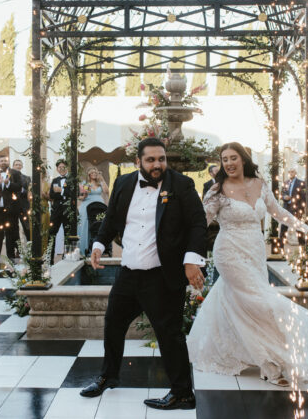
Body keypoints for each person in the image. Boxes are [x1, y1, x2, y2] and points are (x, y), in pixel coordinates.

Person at [187, 142, 308, 388]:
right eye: (224, 159)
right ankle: (271, 362)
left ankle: (257, 356)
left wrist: (306, 228)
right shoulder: (217, 191)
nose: (229, 163)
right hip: (229, 252)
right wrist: (189, 256)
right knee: (262, 301)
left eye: (234, 158)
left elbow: (278, 212)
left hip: (255, 252)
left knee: (243, 304)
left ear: (243, 159)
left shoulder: (260, 185)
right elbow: (200, 223)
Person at [80, 137, 207, 411]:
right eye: (150, 160)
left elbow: (198, 224)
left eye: (161, 159)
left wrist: (191, 261)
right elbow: (112, 218)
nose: (157, 164)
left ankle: (183, 393)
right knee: (113, 323)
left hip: (161, 276)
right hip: (128, 273)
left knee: (169, 334)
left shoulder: (181, 185)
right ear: (138, 161)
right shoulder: (124, 183)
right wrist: (99, 245)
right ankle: (108, 376)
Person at [0, 155, 22, 264]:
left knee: (10, 234)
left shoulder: (15, 173)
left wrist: (8, 183)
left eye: (5, 161)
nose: (3, 162)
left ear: (8, 162)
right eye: (1, 160)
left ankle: (10, 256)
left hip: (11, 209)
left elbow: (19, 187)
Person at [77, 167, 109, 255]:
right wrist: (84, 195)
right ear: (89, 175)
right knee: (86, 226)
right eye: (92, 173)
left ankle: (98, 248)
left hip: (99, 207)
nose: (94, 174)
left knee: (99, 225)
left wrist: (102, 179)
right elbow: (80, 197)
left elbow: (107, 191)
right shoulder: (85, 184)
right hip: (87, 205)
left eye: (95, 172)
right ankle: (85, 248)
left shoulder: (100, 183)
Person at [49, 159, 72, 263]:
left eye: (63, 167)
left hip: (68, 210)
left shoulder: (72, 179)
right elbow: (51, 195)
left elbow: (72, 193)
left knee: (68, 233)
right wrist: (63, 193)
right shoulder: (54, 180)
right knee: (52, 232)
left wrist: (61, 191)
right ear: (57, 169)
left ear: (66, 168)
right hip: (56, 210)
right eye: (59, 167)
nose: (62, 169)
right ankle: (50, 258)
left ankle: (67, 257)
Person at [280, 167, 306, 246]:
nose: (291, 173)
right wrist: (284, 197)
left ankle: (302, 246)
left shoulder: (301, 183)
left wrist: (301, 209)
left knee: (299, 229)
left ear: (295, 173)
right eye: (289, 172)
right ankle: (280, 247)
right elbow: (282, 194)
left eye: (292, 172)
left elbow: (303, 198)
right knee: (283, 227)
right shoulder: (285, 183)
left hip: (296, 209)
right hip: (287, 208)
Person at [12, 159, 31, 248]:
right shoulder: (9, 177)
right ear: (13, 166)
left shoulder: (27, 178)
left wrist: (22, 190)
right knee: (14, 230)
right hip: (12, 206)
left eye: (20, 165)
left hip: (24, 206)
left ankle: (30, 247)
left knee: (27, 228)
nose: (18, 166)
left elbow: (30, 191)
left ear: (22, 166)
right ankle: (17, 250)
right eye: (16, 165)